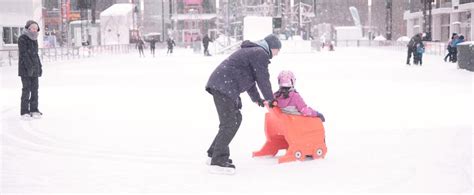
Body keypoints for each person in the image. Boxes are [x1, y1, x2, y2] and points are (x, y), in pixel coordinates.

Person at [205, 34, 282, 174]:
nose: (277, 54)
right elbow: (262, 78)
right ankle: (218, 160)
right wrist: (271, 99)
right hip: (223, 87)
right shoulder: (259, 53)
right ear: (272, 47)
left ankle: (214, 153)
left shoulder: (254, 52)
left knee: (235, 119)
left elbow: (250, 80)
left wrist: (258, 99)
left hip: (223, 86)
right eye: (277, 50)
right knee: (230, 123)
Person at [18, 20, 43, 120]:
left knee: (35, 90)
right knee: (26, 90)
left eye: (36, 28)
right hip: (25, 69)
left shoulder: (34, 39)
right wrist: (29, 68)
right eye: (32, 28)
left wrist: (39, 67)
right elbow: (24, 54)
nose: (34, 30)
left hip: (34, 69)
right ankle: (24, 111)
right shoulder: (22, 38)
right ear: (28, 28)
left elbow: (35, 55)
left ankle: (34, 109)